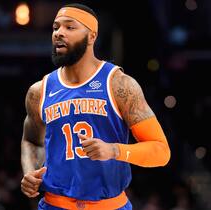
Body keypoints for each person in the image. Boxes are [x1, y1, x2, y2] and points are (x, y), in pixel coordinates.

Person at [20, 3, 171, 210]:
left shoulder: (119, 85)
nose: (59, 33)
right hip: (54, 205)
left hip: (110, 205)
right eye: (56, 28)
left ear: (92, 36)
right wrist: (30, 171)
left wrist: (114, 150)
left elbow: (161, 151)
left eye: (69, 27)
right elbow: (31, 140)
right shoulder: (39, 91)